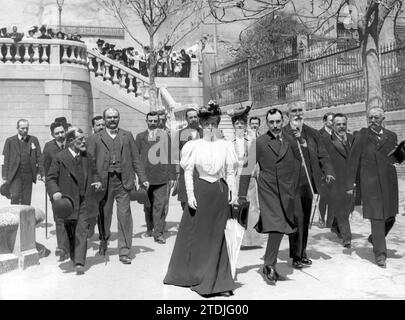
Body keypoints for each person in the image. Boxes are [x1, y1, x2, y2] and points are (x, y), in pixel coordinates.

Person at [164, 102, 238, 298]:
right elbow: (188, 173)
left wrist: (233, 193)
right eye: (206, 125)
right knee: (199, 235)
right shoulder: (192, 145)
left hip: (220, 193)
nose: (210, 128)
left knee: (218, 236)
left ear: (217, 125)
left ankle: (219, 280)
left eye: (213, 124)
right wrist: (190, 195)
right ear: (202, 126)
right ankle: (197, 275)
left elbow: (230, 172)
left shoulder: (226, 146)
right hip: (200, 191)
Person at [238, 108, 301, 285]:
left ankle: (269, 264)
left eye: (278, 121)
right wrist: (242, 195)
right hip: (268, 189)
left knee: (281, 226)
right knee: (276, 224)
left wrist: (294, 185)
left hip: (287, 190)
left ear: (283, 121)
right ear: (267, 123)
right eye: (271, 122)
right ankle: (269, 265)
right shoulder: (259, 142)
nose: (275, 125)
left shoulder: (290, 140)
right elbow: (247, 168)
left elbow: (298, 163)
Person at [86, 108, 148, 264]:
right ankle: (104, 240)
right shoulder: (94, 138)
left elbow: (136, 159)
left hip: (123, 181)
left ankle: (124, 251)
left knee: (125, 216)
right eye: (109, 117)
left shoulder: (127, 135)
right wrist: (95, 179)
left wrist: (143, 178)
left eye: (115, 117)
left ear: (119, 118)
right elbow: (90, 163)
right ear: (105, 119)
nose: (112, 120)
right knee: (104, 215)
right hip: (103, 182)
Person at [282, 101, 335, 269]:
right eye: (294, 111)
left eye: (299, 110)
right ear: (288, 115)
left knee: (304, 219)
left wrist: (328, 171)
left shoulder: (312, 133)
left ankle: (301, 251)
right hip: (291, 183)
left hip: (308, 183)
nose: (297, 114)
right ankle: (297, 255)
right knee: (297, 217)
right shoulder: (282, 133)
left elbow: (323, 155)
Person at [346, 107, 399, 268]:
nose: (373, 120)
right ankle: (380, 254)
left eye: (376, 117)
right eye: (370, 118)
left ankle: (375, 238)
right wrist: (350, 185)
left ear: (383, 118)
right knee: (377, 217)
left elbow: (395, 158)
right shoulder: (361, 136)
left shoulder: (391, 135)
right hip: (370, 182)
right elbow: (353, 161)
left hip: (389, 182)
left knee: (390, 216)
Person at [46, 127, 102, 275]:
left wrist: (97, 182)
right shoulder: (60, 157)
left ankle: (79, 262)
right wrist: (55, 192)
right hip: (68, 201)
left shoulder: (87, 156)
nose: (84, 141)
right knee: (69, 231)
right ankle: (71, 254)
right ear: (71, 141)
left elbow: (95, 173)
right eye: (80, 139)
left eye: (84, 138)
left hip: (85, 200)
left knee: (81, 230)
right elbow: (51, 178)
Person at [135, 112, 176, 243]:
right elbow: (136, 158)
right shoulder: (140, 137)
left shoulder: (165, 136)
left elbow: (170, 156)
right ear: (146, 121)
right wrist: (139, 177)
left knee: (160, 205)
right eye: (150, 121)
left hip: (161, 177)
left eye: (155, 121)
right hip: (145, 178)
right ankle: (149, 228)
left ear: (158, 122)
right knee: (147, 205)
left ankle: (158, 233)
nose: (152, 123)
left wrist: (172, 176)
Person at [228, 105, 264, 248]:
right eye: (237, 124)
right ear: (234, 126)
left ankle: (253, 239)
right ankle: (239, 239)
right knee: (238, 205)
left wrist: (256, 171)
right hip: (236, 176)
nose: (240, 126)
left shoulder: (251, 141)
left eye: (242, 123)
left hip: (250, 177)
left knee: (253, 206)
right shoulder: (229, 142)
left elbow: (256, 159)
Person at [324, 113, 354, 248]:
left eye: (343, 124)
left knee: (350, 207)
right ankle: (347, 237)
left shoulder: (353, 139)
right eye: (338, 124)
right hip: (336, 181)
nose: (341, 127)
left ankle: (335, 224)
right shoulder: (327, 141)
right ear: (333, 126)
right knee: (342, 209)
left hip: (352, 180)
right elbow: (325, 160)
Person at [42, 121, 69, 261]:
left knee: (71, 216)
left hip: (70, 187)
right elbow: (43, 165)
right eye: (57, 133)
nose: (60, 135)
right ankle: (62, 248)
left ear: (65, 131)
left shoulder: (71, 144)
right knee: (59, 218)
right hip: (55, 188)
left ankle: (70, 245)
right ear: (52, 134)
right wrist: (43, 175)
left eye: (62, 132)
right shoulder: (48, 147)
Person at [2, 119, 44, 205]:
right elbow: (4, 159)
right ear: (17, 128)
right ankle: (15, 217)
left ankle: (26, 217)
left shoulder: (33, 140)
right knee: (15, 196)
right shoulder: (10, 141)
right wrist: (4, 176)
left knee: (26, 198)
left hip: (28, 173)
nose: (25, 130)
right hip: (15, 173)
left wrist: (40, 172)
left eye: (27, 128)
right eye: (22, 128)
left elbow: (39, 157)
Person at [174, 108, 202, 210]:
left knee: (201, 201)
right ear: (186, 119)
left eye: (195, 116)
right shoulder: (180, 133)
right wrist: (177, 172)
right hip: (185, 172)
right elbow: (175, 154)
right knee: (186, 202)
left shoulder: (205, 133)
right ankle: (187, 225)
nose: (193, 119)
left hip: (202, 173)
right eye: (191, 117)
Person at [318, 112, 334, 227]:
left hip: (336, 170)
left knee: (333, 196)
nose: (333, 123)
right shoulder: (319, 134)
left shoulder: (337, 134)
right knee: (324, 196)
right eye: (331, 120)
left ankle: (330, 220)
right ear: (325, 121)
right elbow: (317, 155)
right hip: (323, 171)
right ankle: (321, 218)